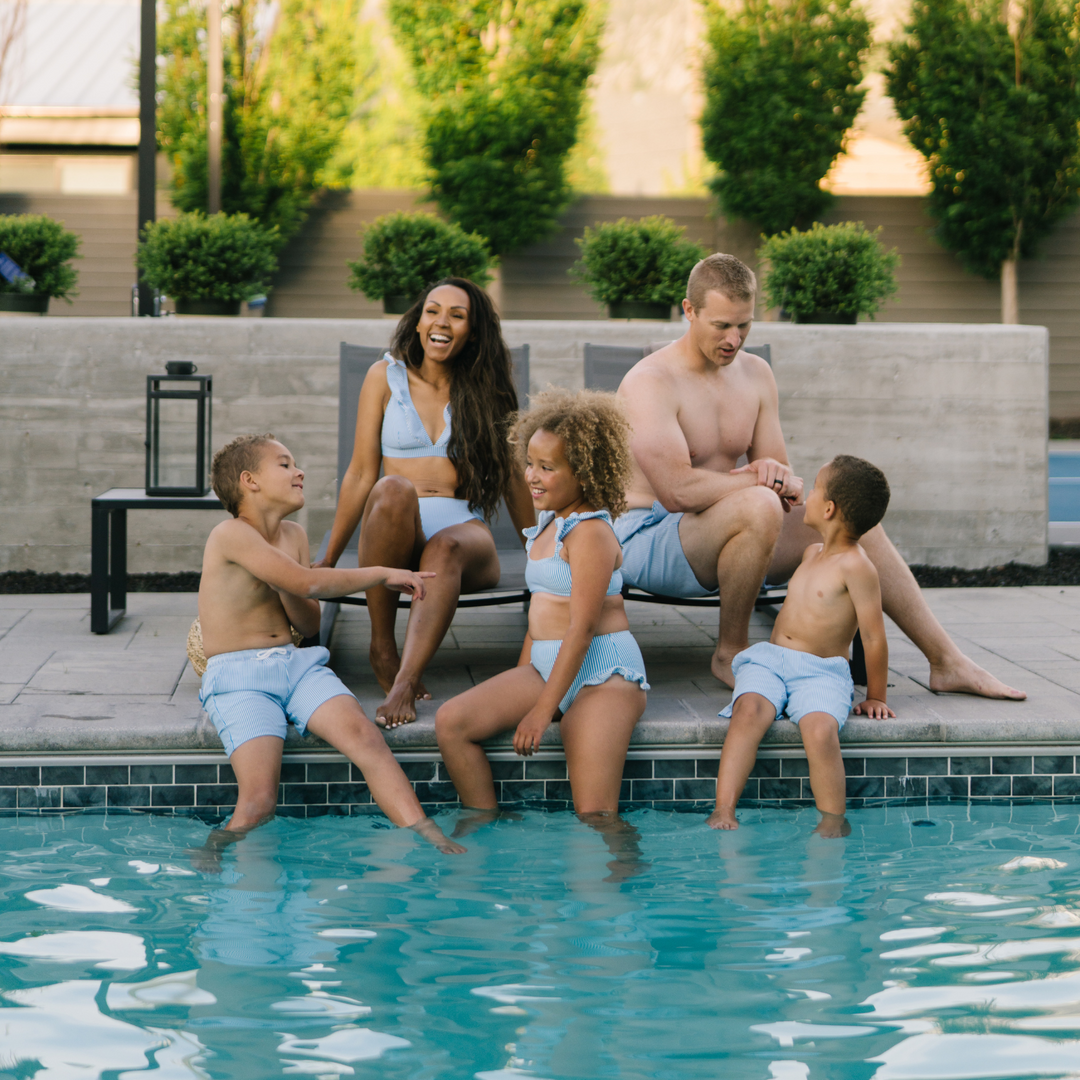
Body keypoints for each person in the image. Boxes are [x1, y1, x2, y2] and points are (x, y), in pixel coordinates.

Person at [615, 252, 1025, 700]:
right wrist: (756, 480)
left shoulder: (755, 374)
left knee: (845, 518)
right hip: (649, 536)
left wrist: (776, 481)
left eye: (745, 325)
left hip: (728, 528)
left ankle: (946, 662)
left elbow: (783, 485)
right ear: (689, 311)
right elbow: (677, 492)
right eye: (721, 326)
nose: (734, 339)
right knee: (756, 502)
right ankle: (730, 652)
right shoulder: (650, 382)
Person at [196, 433, 463, 856]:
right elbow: (311, 581)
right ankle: (215, 848)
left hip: (294, 665)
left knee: (367, 739)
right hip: (240, 675)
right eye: (284, 464)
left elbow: (308, 615)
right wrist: (380, 572)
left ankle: (426, 833)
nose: (298, 470)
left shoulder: (294, 536)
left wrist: (282, 585)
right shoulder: (230, 534)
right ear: (250, 481)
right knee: (261, 800)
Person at [316, 277, 534, 728]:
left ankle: (404, 681)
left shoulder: (488, 388)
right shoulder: (384, 377)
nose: (442, 322)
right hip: (396, 529)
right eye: (433, 311)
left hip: (463, 533)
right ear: (418, 323)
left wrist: (541, 547)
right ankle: (382, 646)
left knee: (445, 547)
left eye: (458, 315)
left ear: (472, 333)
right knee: (392, 488)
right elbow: (360, 472)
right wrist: (330, 559)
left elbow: (515, 476)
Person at [435, 389, 649, 827]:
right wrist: (525, 681)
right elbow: (539, 620)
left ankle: (614, 883)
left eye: (547, 468)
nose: (532, 476)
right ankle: (483, 826)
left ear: (585, 472)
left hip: (602, 674)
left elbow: (582, 629)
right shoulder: (550, 523)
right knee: (452, 723)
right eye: (530, 462)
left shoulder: (588, 533)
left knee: (594, 814)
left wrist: (540, 709)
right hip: (548, 665)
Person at [708, 455, 894, 838]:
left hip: (821, 669)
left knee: (821, 730)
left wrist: (875, 695)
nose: (806, 495)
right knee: (748, 711)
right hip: (772, 660)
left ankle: (831, 820)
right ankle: (724, 807)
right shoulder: (811, 553)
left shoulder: (858, 567)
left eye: (814, 490)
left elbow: (874, 636)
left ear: (828, 508)